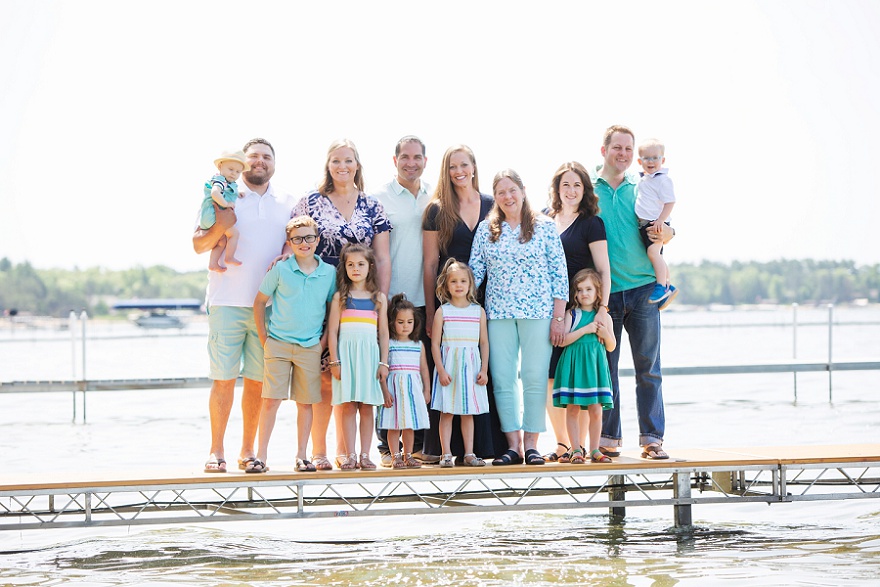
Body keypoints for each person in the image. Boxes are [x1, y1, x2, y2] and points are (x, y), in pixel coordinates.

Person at [193, 138, 296, 474]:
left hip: (268, 308)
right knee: (223, 380)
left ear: (274, 164)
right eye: (253, 157)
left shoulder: (288, 202)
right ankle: (215, 451)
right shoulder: (224, 195)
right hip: (226, 302)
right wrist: (221, 226)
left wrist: (288, 253)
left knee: (256, 382)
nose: (259, 162)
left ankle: (248, 451)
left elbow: (295, 243)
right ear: (241, 163)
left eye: (267, 157)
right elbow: (198, 243)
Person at [292, 139, 392, 470]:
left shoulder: (372, 205)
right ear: (328, 165)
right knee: (325, 373)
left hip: (360, 300)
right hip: (319, 294)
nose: (342, 166)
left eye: (348, 160)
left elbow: (382, 256)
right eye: (336, 160)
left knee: (354, 378)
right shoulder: (311, 201)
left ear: (357, 164)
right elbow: (293, 241)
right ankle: (319, 450)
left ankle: (346, 450)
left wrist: (381, 300)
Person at [469, 169, 568, 466]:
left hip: (538, 313)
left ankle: (532, 443)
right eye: (501, 192)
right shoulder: (487, 229)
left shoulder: (545, 226)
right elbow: (474, 272)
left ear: (523, 190)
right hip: (498, 314)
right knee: (502, 378)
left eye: (512, 190)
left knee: (536, 377)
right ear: (495, 197)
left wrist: (558, 318)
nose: (507, 197)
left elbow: (559, 274)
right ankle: (513, 446)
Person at [593, 125, 674, 460]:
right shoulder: (588, 188)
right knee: (606, 370)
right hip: (604, 295)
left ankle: (652, 439)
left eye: (629, 149)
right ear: (604, 151)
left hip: (642, 290)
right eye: (618, 148)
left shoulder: (642, 185)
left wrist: (669, 232)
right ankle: (608, 438)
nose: (624, 154)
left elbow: (662, 225)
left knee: (648, 368)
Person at [421, 144, 504, 461]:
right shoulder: (437, 210)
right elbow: (430, 264)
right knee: (450, 374)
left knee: (484, 371)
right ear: (446, 169)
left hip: (487, 303)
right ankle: (443, 451)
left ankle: (486, 447)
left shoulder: (491, 204)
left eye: (464, 165)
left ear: (473, 167)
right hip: (450, 304)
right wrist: (431, 312)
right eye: (453, 166)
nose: (459, 171)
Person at [250, 216, 336, 474]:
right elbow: (259, 303)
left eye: (309, 237)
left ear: (317, 240)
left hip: (310, 346)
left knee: (305, 403)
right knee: (270, 400)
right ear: (290, 242)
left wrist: (322, 343)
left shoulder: (328, 273)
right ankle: (261, 457)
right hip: (278, 343)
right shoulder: (281, 269)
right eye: (298, 239)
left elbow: (333, 309)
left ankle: (301, 455)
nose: (304, 243)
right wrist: (265, 339)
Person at [542, 161, 612, 463]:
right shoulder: (543, 219)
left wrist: (602, 310)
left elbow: (603, 269)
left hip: (581, 310)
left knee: (582, 382)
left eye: (577, 185)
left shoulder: (591, 223)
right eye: (566, 184)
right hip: (546, 310)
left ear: (585, 190)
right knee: (549, 377)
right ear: (557, 188)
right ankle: (561, 443)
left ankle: (580, 446)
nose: (571, 191)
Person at [371, 136, 432, 465]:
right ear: (394, 160)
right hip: (390, 298)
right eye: (405, 157)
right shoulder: (379, 198)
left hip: (423, 298)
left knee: (417, 372)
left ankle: (417, 447)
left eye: (417, 157)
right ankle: (385, 448)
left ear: (425, 160)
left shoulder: (433, 197)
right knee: (389, 371)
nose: (411, 162)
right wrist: (380, 297)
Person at [327, 243, 390, 470]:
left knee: (366, 407)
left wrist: (383, 362)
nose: (355, 269)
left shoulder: (378, 298)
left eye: (360, 264)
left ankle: (365, 454)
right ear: (344, 267)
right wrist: (335, 361)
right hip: (347, 357)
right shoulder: (340, 298)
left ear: (369, 266)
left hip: (369, 358)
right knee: (348, 406)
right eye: (350, 264)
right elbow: (333, 332)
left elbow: (383, 333)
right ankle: (350, 455)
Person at [430, 259, 490, 468]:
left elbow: (484, 342)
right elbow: (435, 344)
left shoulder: (478, 311)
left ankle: (469, 453)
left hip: (471, 369)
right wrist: (440, 369)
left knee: (468, 412)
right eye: (453, 281)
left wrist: (484, 369)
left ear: (470, 284)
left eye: (463, 281)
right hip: (449, 369)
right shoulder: (443, 312)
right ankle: (445, 454)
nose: (458, 285)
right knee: (447, 412)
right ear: (446, 285)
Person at [552, 269, 615, 464]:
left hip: (595, 369)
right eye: (579, 290)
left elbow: (611, 346)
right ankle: (576, 449)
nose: (584, 294)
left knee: (596, 410)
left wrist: (604, 333)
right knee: (572, 409)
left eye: (588, 289)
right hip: (574, 366)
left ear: (598, 292)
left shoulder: (604, 317)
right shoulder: (572, 314)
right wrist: (586, 329)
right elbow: (562, 341)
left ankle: (595, 449)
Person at [377, 294, 431, 470]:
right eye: (400, 322)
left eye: (409, 321)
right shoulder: (389, 344)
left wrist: (427, 390)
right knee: (394, 426)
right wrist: (384, 392)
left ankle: (408, 455)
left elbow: (423, 369)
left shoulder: (418, 344)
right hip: (394, 391)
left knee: (409, 426)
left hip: (412, 391)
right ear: (392, 322)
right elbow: (382, 371)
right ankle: (395, 456)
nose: (405, 325)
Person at [636, 138, 678, 307]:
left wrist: (661, 220)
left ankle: (662, 286)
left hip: (656, 223)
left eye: (655, 157)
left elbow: (670, 202)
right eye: (646, 158)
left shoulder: (663, 180)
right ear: (640, 161)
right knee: (656, 254)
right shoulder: (645, 179)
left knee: (654, 253)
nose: (651, 161)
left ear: (663, 160)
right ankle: (669, 285)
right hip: (645, 223)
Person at [199, 150, 249, 272]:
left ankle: (213, 263)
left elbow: (226, 192)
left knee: (221, 240)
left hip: (208, 218)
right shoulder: (220, 180)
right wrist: (226, 204)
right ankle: (229, 257)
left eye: (238, 172)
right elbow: (215, 193)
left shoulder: (227, 183)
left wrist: (237, 194)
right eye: (231, 169)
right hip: (214, 216)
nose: (234, 174)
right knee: (234, 234)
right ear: (220, 166)